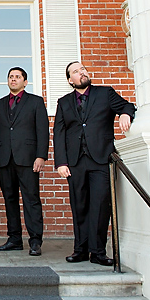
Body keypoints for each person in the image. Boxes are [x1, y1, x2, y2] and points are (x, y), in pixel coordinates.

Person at [54, 61, 134, 266]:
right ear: (70, 80)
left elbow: (126, 105)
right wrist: (61, 162)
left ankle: (98, 252)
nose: (81, 73)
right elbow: (59, 134)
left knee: (100, 206)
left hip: (101, 159)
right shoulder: (63, 102)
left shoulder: (105, 94)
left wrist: (125, 113)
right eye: (75, 71)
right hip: (75, 162)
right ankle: (80, 250)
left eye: (83, 69)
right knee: (79, 206)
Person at [0, 67, 49, 256]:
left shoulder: (36, 102)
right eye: (11, 77)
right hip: (5, 159)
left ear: (25, 82)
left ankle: (35, 241)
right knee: (10, 199)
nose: (13, 80)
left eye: (17, 77)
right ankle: (14, 239)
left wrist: (41, 156)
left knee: (31, 200)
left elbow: (43, 131)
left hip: (28, 159)